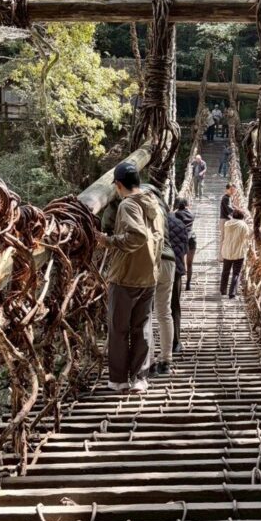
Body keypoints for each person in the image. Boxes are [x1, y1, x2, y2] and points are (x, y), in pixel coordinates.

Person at [96, 161, 164, 393]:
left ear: (118, 184)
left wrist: (108, 240)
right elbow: (156, 238)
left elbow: (137, 236)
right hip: (149, 275)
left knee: (118, 329)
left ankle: (119, 380)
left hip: (125, 276)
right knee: (142, 328)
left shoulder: (128, 205)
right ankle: (140, 378)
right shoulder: (153, 203)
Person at [142, 185, 177, 377]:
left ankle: (150, 361)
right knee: (165, 313)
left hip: (150, 261)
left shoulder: (140, 206)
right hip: (169, 261)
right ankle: (166, 360)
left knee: (146, 313)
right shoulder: (164, 210)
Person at [167, 204, 189, 356]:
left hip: (152, 269)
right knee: (174, 305)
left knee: (149, 308)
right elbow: (185, 249)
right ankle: (176, 342)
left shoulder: (149, 220)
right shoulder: (180, 224)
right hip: (175, 268)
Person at [220, 208, 250, 299]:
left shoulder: (227, 224)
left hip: (227, 251)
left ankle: (223, 290)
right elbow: (247, 236)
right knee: (236, 273)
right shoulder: (244, 225)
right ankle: (232, 293)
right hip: (239, 252)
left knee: (225, 271)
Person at [174, 196, 196, 292]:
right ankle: (188, 284)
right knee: (189, 263)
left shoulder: (176, 214)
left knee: (180, 262)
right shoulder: (192, 214)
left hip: (181, 239)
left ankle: (179, 284)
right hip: (192, 238)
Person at [219, 182, 236, 252]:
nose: (233, 191)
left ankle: (224, 254)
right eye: (231, 189)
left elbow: (231, 206)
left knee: (225, 238)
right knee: (223, 238)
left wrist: (238, 209)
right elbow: (229, 208)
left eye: (233, 190)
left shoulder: (228, 197)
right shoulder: (226, 198)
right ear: (227, 190)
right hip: (224, 220)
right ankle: (221, 255)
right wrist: (238, 212)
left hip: (226, 219)